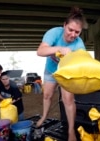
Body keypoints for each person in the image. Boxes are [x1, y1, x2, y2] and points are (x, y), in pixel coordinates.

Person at [36, 6, 88, 141]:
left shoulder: (79, 44)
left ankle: (71, 130)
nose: (73, 34)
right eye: (70, 29)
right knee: (47, 95)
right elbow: (40, 51)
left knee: (68, 100)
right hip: (51, 70)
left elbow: (82, 63)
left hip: (67, 73)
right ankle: (44, 116)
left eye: (77, 32)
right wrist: (59, 48)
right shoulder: (54, 33)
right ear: (64, 25)